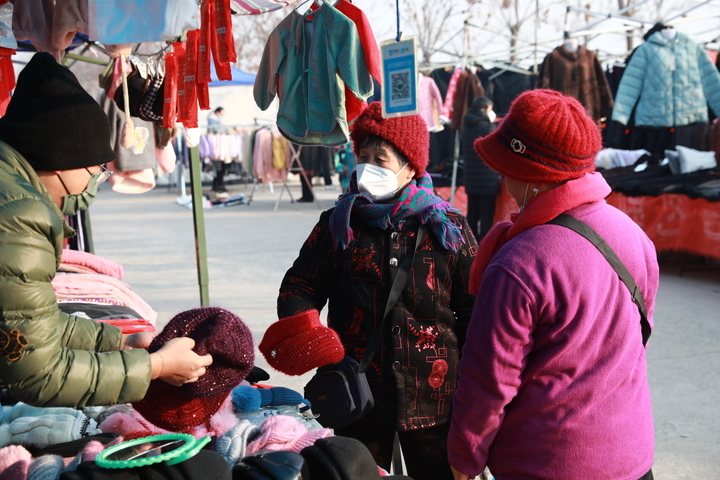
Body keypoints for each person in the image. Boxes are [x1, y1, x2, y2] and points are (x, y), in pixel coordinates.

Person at [259, 102, 478, 480]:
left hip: (435, 397)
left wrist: (478, 381)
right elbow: (300, 285)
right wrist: (316, 339)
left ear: (411, 167)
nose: (368, 167)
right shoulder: (338, 224)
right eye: (364, 156)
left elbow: (475, 306)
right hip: (357, 395)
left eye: (382, 159)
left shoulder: (449, 227)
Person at [447, 90, 658, 480]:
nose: (501, 177)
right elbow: (636, 337)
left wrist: (464, 460)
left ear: (530, 174)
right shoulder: (632, 235)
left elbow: (489, 383)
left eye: (506, 165)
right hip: (632, 457)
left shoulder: (518, 262)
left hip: (548, 463)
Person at [0, 52, 212, 408]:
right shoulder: (20, 218)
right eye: (97, 167)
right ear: (61, 158)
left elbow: (38, 324)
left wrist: (119, 343)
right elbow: (40, 374)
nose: (96, 179)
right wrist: (157, 366)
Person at [460, 96, 499, 241]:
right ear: (483, 109)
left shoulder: (466, 127)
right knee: (486, 217)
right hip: (488, 179)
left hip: (471, 178)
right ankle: (483, 247)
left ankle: (469, 244)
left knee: (472, 214)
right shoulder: (488, 128)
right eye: (490, 108)